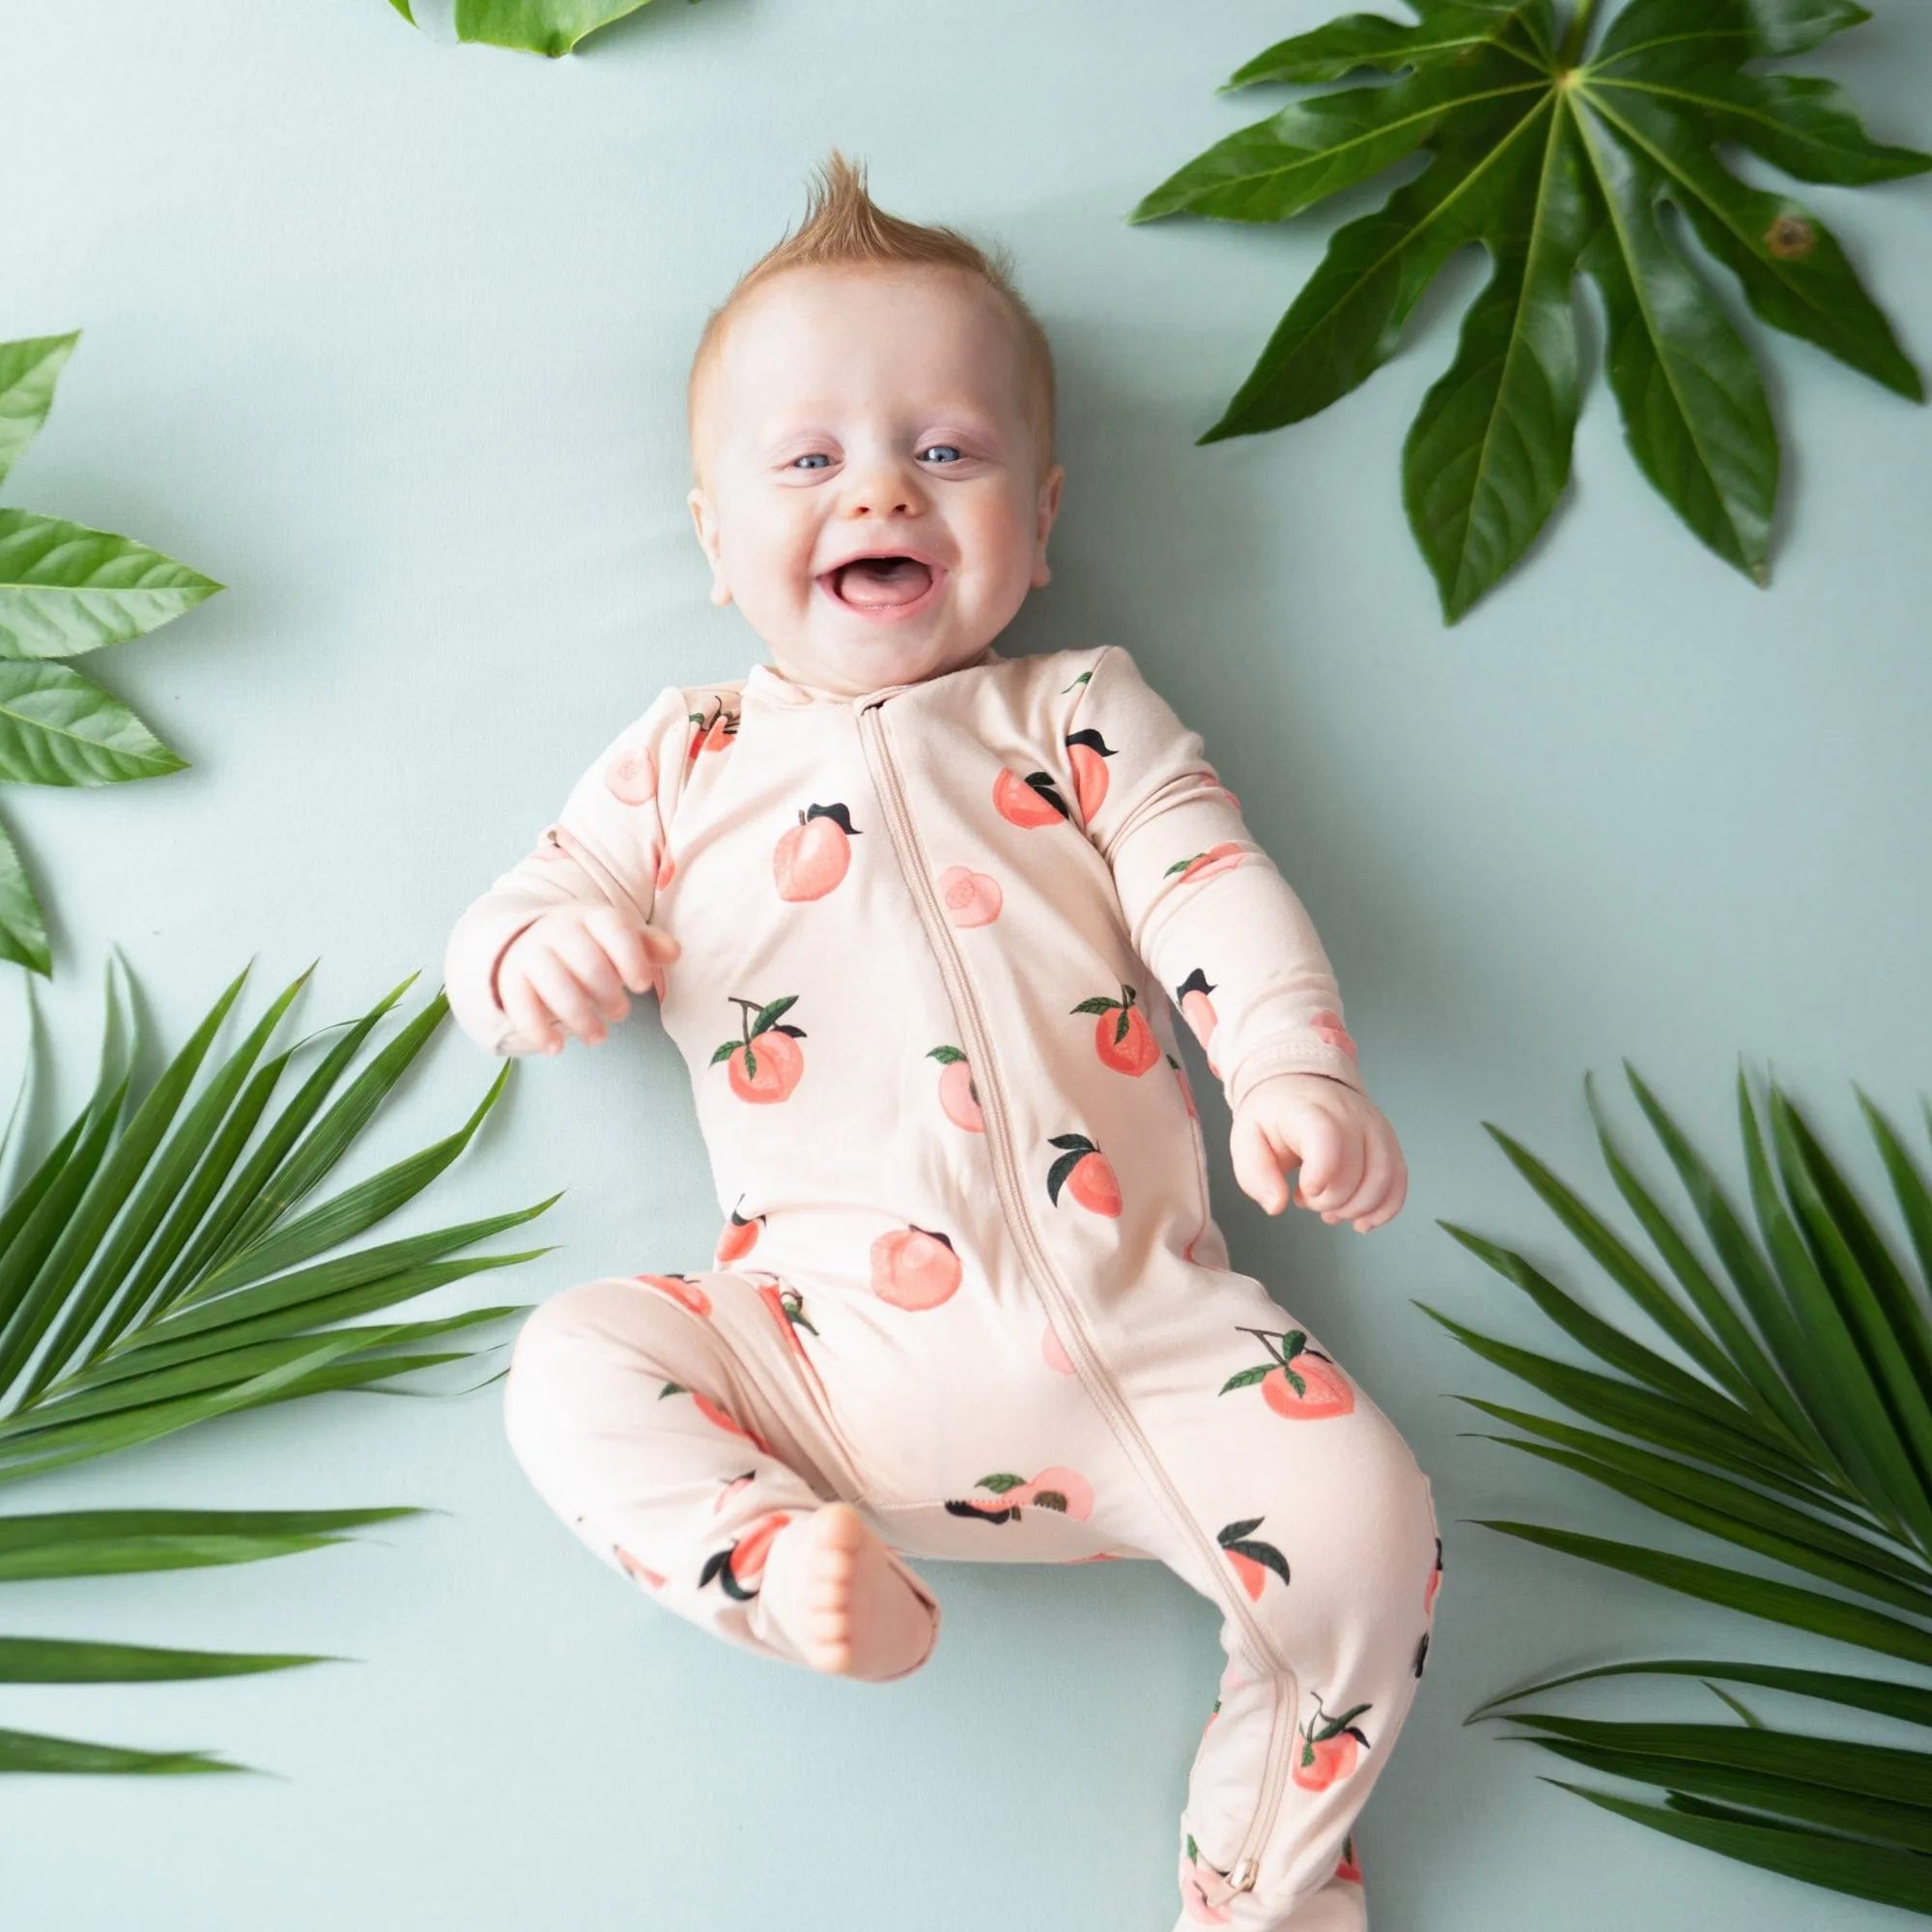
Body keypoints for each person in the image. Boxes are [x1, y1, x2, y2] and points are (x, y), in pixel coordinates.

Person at [443, 152, 1440, 1931]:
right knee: (570, 1363)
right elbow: (517, 911)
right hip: (820, 1368)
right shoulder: (680, 760)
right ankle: (784, 1568)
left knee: (1370, 1535)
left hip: (1166, 1349)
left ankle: (1265, 1893)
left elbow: (1212, 880)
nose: (881, 487)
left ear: (1042, 522)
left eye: (947, 452)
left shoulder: (1078, 715)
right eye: (809, 458)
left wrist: (1293, 1071)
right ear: (712, 531)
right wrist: (542, 950)